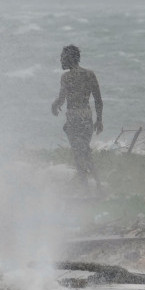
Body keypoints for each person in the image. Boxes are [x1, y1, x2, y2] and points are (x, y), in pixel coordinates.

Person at [51, 45, 103, 185]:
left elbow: (62, 98)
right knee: (85, 151)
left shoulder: (66, 77)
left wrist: (54, 105)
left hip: (74, 118)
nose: (60, 60)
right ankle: (97, 184)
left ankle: (85, 187)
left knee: (78, 154)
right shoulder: (89, 74)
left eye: (62, 57)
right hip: (86, 117)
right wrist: (99, 120)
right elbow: (98, 100)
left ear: (69, 58)